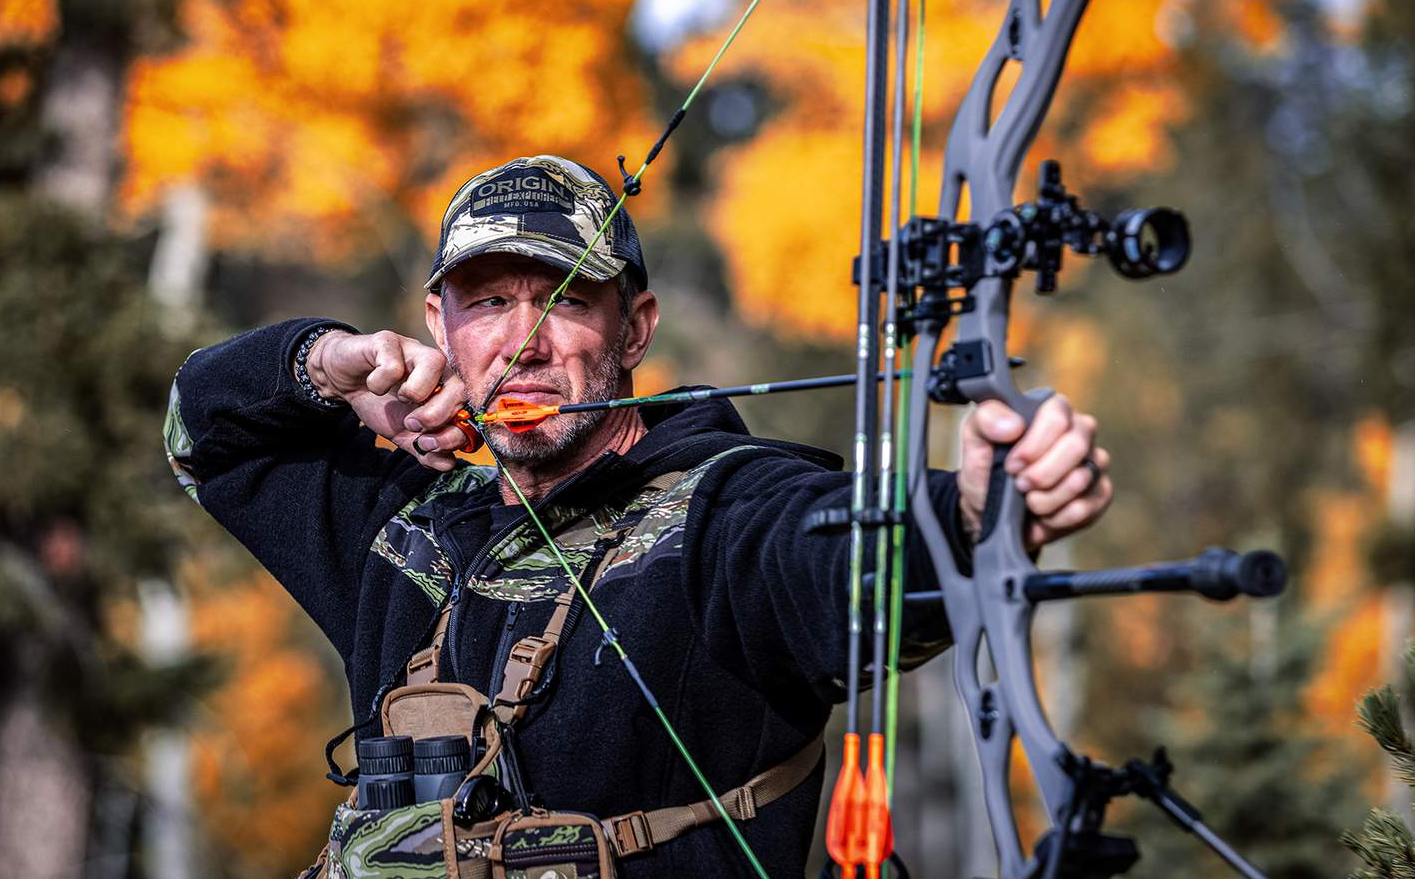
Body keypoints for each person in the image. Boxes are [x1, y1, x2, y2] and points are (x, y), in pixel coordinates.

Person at [164, 154, 1111, 877]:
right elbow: (201, 431)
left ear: (637, 327)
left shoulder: (719, 512)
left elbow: (836, 558)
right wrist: (326, 363)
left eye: (565, 299)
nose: (522, 341)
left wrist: (981, 508)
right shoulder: (410, 531)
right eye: (488, 301)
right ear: (439, 321)